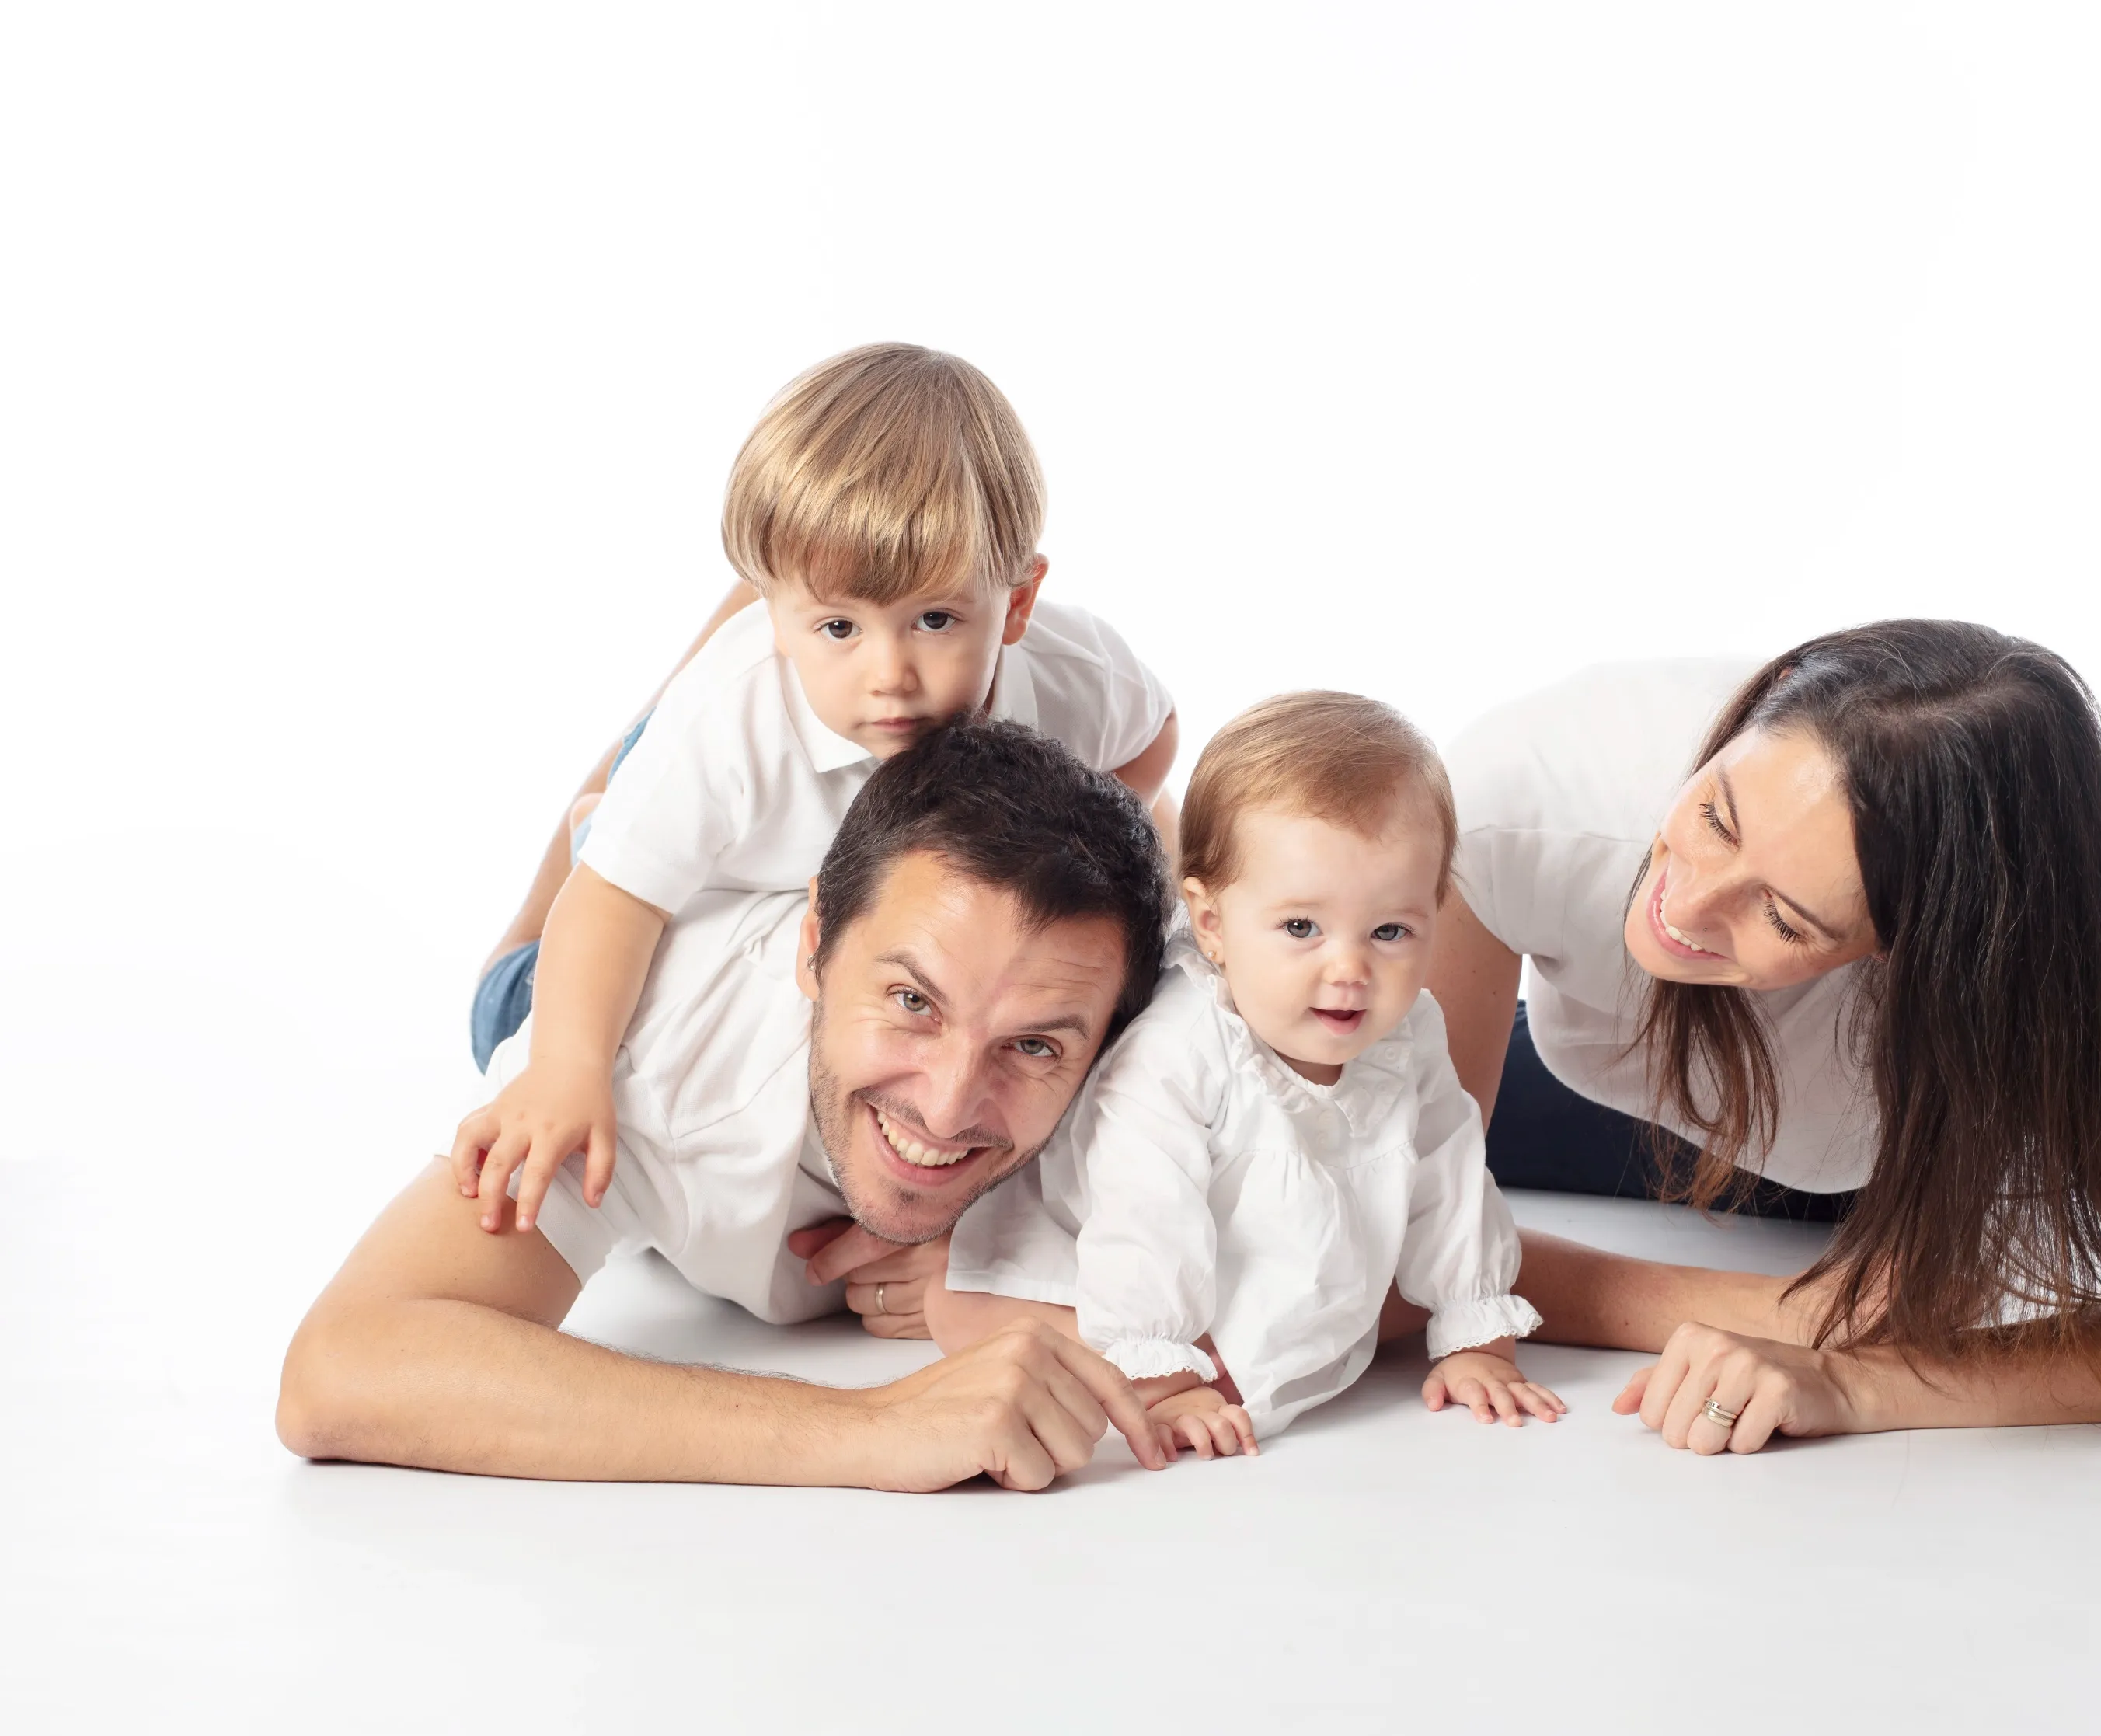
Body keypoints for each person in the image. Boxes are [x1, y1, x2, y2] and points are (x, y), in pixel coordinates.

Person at [1426, 622, 2101, 1455]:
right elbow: (1393, 1247)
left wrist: (1856, 1381)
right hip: (1589, 1080)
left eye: (1784, 916)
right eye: (1715, 816)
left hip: (1849, 1162)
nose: (1688, 905)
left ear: (1914, 954)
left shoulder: (2028, 963)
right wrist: (1795, 1312)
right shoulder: (1510, 800)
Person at [277, 721, 1176, 1491]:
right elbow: (344, 1364)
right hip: (637, 947)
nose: (946, 1108)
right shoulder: (658, 1068)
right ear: (813, 946)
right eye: (911, 1001)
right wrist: (872, 1425)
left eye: (1032, 1047)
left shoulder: (1152, 1055)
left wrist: (988, 1262)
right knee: (586, 880)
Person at [461, 344, 1180, 1243]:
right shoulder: (732, 723)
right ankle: (605, 816)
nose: (890, 675)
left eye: (935, 619)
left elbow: (1151, 736)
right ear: (777, 620)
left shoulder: (1073, 672)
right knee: (572, 927)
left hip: (838, 876)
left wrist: (1076, 840)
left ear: (1020, 602)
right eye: (840, 626)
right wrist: (566, 1068)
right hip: (671, 896)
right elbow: (613, 902)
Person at [932, 695, 1565, 1457]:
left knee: (1307, 1318)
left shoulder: (1410, 1032)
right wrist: (1166, 1375)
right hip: (1097, 1255)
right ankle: (1119, 1342)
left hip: (1276, 1256)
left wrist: (1476, 1335)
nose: (1349, 968)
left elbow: (1451, 1175)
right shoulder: (1179, 1048)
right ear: (1211, 923)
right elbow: (1144, 1209)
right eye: (1301, 927)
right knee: (983, 1309)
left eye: (1389, 930)